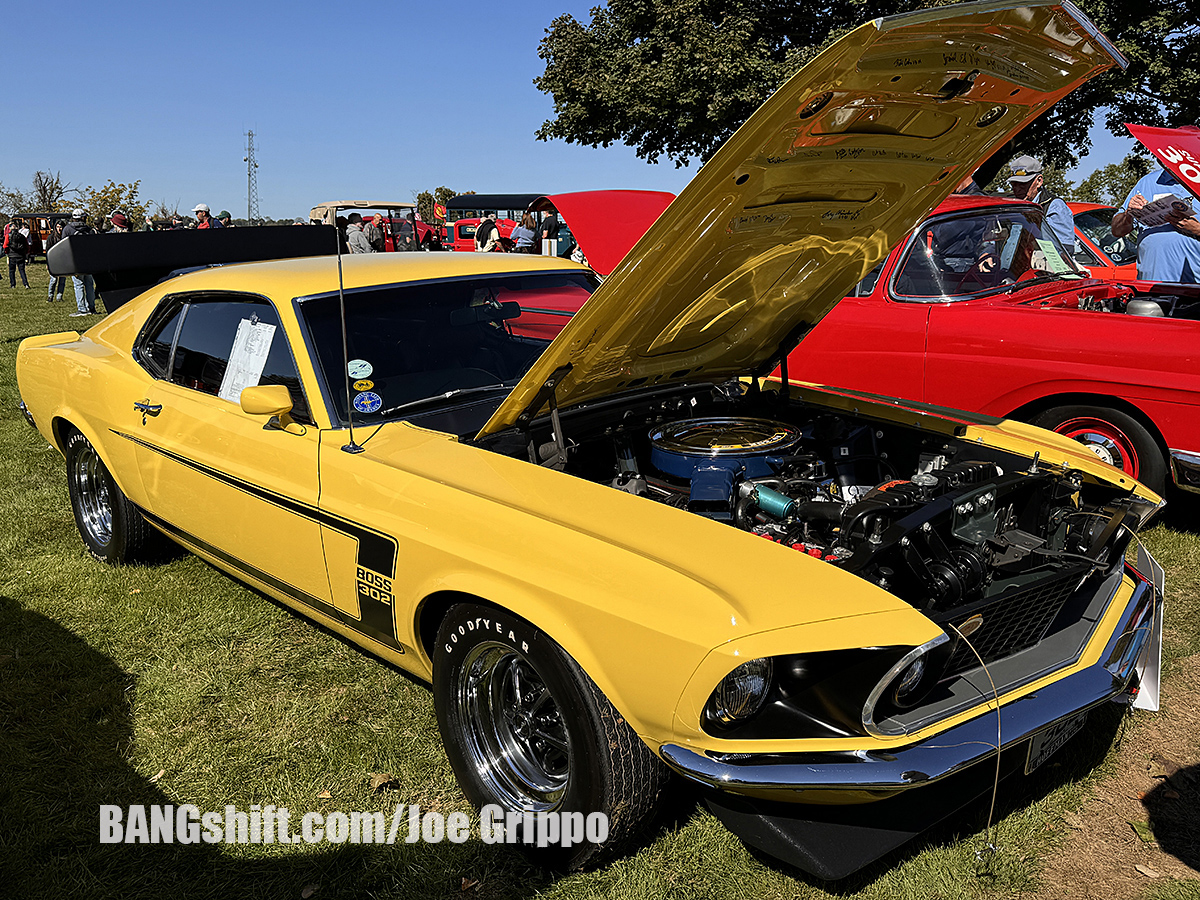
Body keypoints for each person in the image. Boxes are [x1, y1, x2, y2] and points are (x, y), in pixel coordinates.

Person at [1111, 168, 1200, 283]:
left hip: (1193, 288)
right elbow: (1117, 231)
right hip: (1150, 286)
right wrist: (1128, 214)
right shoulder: (1148, 182)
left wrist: (1197, 229)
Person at [1006, 155, 1073, 250]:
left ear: (1039, 181)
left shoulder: (1054, 206)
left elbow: (1064, 249)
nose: (1017, 189)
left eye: (1023, 184)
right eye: (1014, 184)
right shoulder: (1012, 206)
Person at [62, 209, 97, 316]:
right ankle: (91, 308)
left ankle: (82, 309)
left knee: (79, 285)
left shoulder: (68, 229)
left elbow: (64, 247)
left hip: (75, 261)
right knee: (89, 285)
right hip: (89, 261)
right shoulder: (88, 229)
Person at [6, 217, 31, 288]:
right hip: (21, 255)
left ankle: (13, 284)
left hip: (12, 255)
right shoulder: (22, 236)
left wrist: (7, 253)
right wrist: (26, 253)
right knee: (22, 271)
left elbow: (5, 245)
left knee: (11, 271)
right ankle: (26, 284)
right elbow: (26, 245)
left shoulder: (9, 236)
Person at [45, 221, 66, 302]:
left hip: (63, 261)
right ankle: (50, 296)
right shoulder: (51, 237)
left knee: (62, 280)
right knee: (53, 280)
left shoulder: (64, 237)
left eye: (60, 227)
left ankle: (59, 297)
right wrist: (48, 263)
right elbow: (48, 251)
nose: (59, 229)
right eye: (57, 227)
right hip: (53, 261)